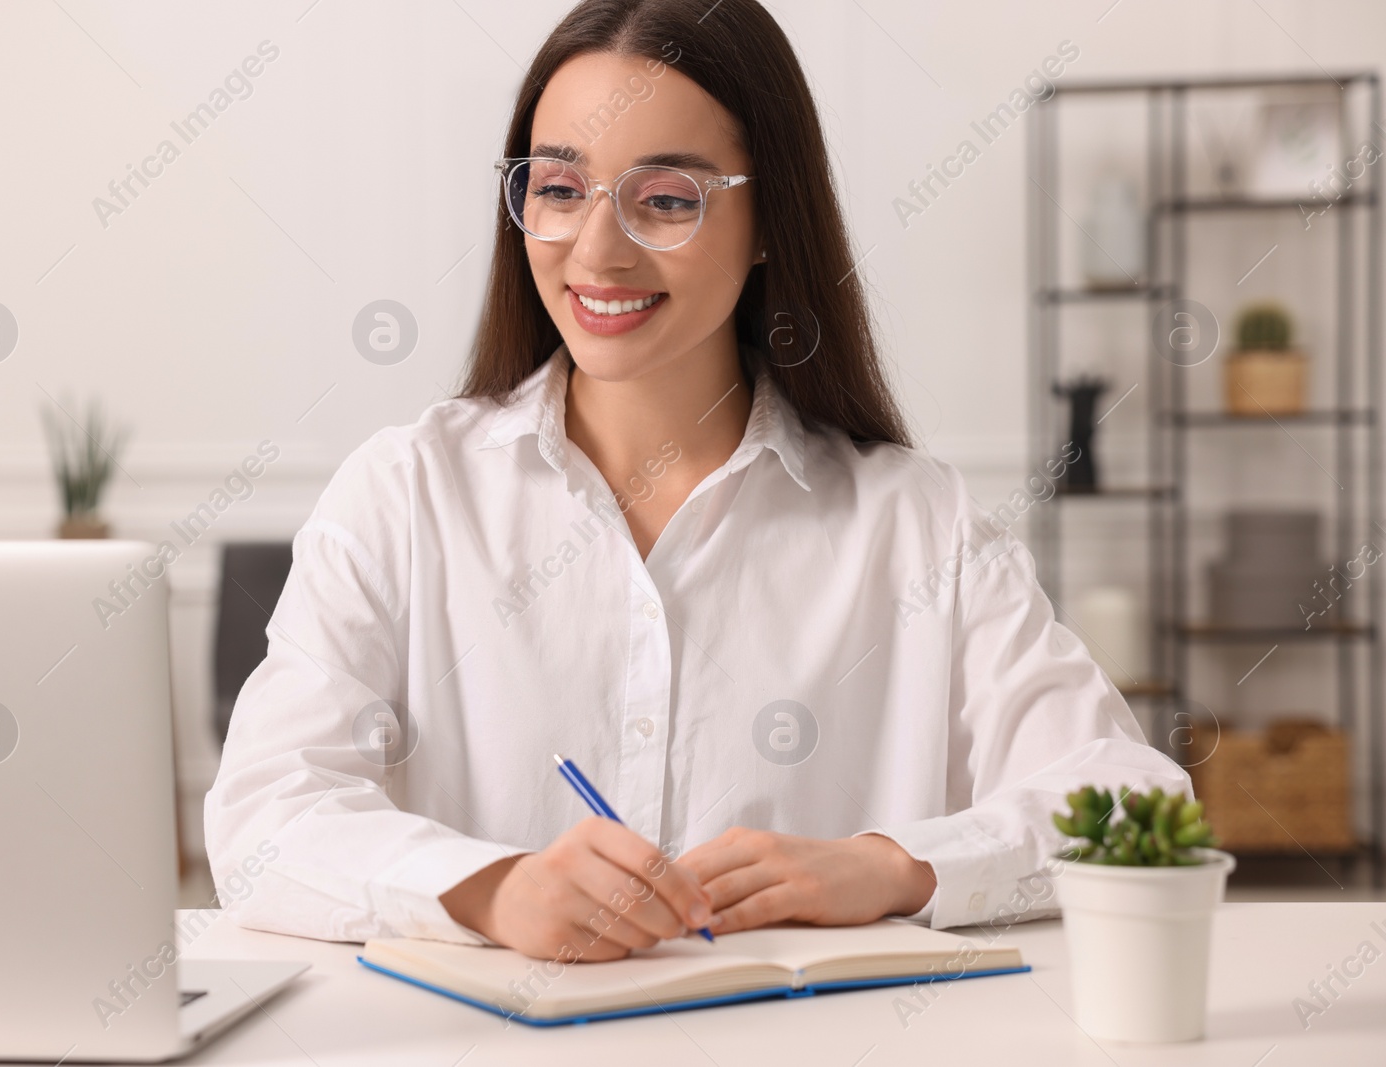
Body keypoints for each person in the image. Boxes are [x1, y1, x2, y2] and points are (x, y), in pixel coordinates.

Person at [204, 0, 1191, 964]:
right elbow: (262, 820)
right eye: (558, 189)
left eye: (666, 198)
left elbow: (1128, 803)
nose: (597, 248)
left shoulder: (914, 522)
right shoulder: (406, 493)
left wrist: (896, 866)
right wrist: (491, 888)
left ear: (769, 222)